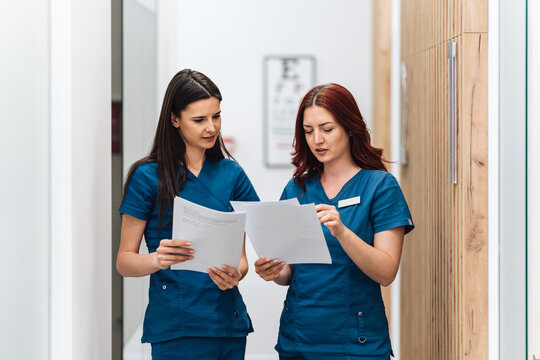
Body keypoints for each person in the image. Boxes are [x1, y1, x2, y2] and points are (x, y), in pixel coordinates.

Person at [254, 83, 414, 360]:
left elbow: (386, 272)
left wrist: (342, 232)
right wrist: (273, 271)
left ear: (350, 128)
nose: (317, 140)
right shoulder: (297, 189)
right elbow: (289, 272)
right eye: (308, 131)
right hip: (299, 339)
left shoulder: (380, 186)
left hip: (356, 341)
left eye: (327, 129)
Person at [117, 69, 259, 360]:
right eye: (199, 120)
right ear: (174, 119)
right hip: (176, 328)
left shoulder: (232, 175)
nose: (211, 128)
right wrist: (158, 259)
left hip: (228, 326)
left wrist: (236, 274)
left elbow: (241, 259)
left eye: (216, 116)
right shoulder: (146, 177)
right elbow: (124, 262)